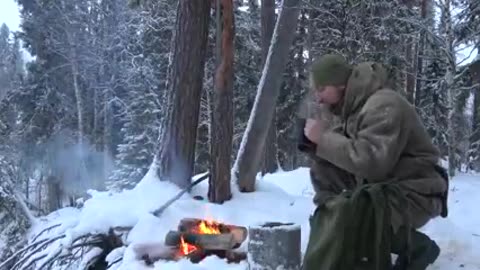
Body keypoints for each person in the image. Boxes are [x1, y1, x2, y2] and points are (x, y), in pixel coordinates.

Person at [297, 54, 448, 270]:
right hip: (386, 185)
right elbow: (350, 152)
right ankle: (336, 231)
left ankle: (415, 246)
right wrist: (316, 147)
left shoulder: (384, 104)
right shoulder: (355, 107)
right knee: (324, 170)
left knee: (358, 211)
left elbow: (372, 163)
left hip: (414, 192)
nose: (318, 98)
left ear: (340, 84)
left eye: (321, 89)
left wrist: (324, 139)